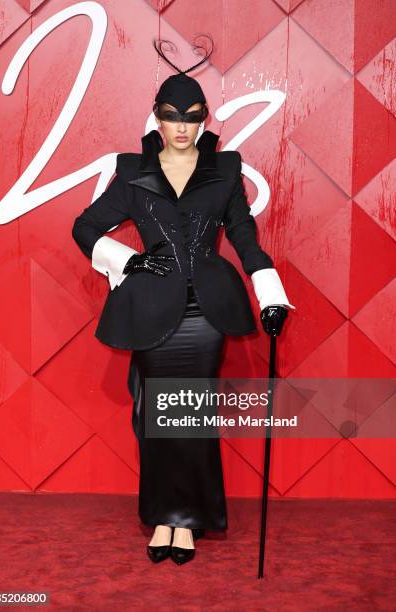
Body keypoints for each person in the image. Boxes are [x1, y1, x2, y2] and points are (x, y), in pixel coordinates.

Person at [71, 36, 295, 565]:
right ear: (157, 118)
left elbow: (245, 240)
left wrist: (270, 296)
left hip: (206, 317)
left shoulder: (226, 171)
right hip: (150, 309)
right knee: (155, 416)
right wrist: (127, 262)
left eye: (192, 117)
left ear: (203, 120)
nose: (181, 126)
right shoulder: (132, 171)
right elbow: (85, 228)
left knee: (190, 417)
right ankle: (162, 518)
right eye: (171, 116)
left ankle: (186, 523)